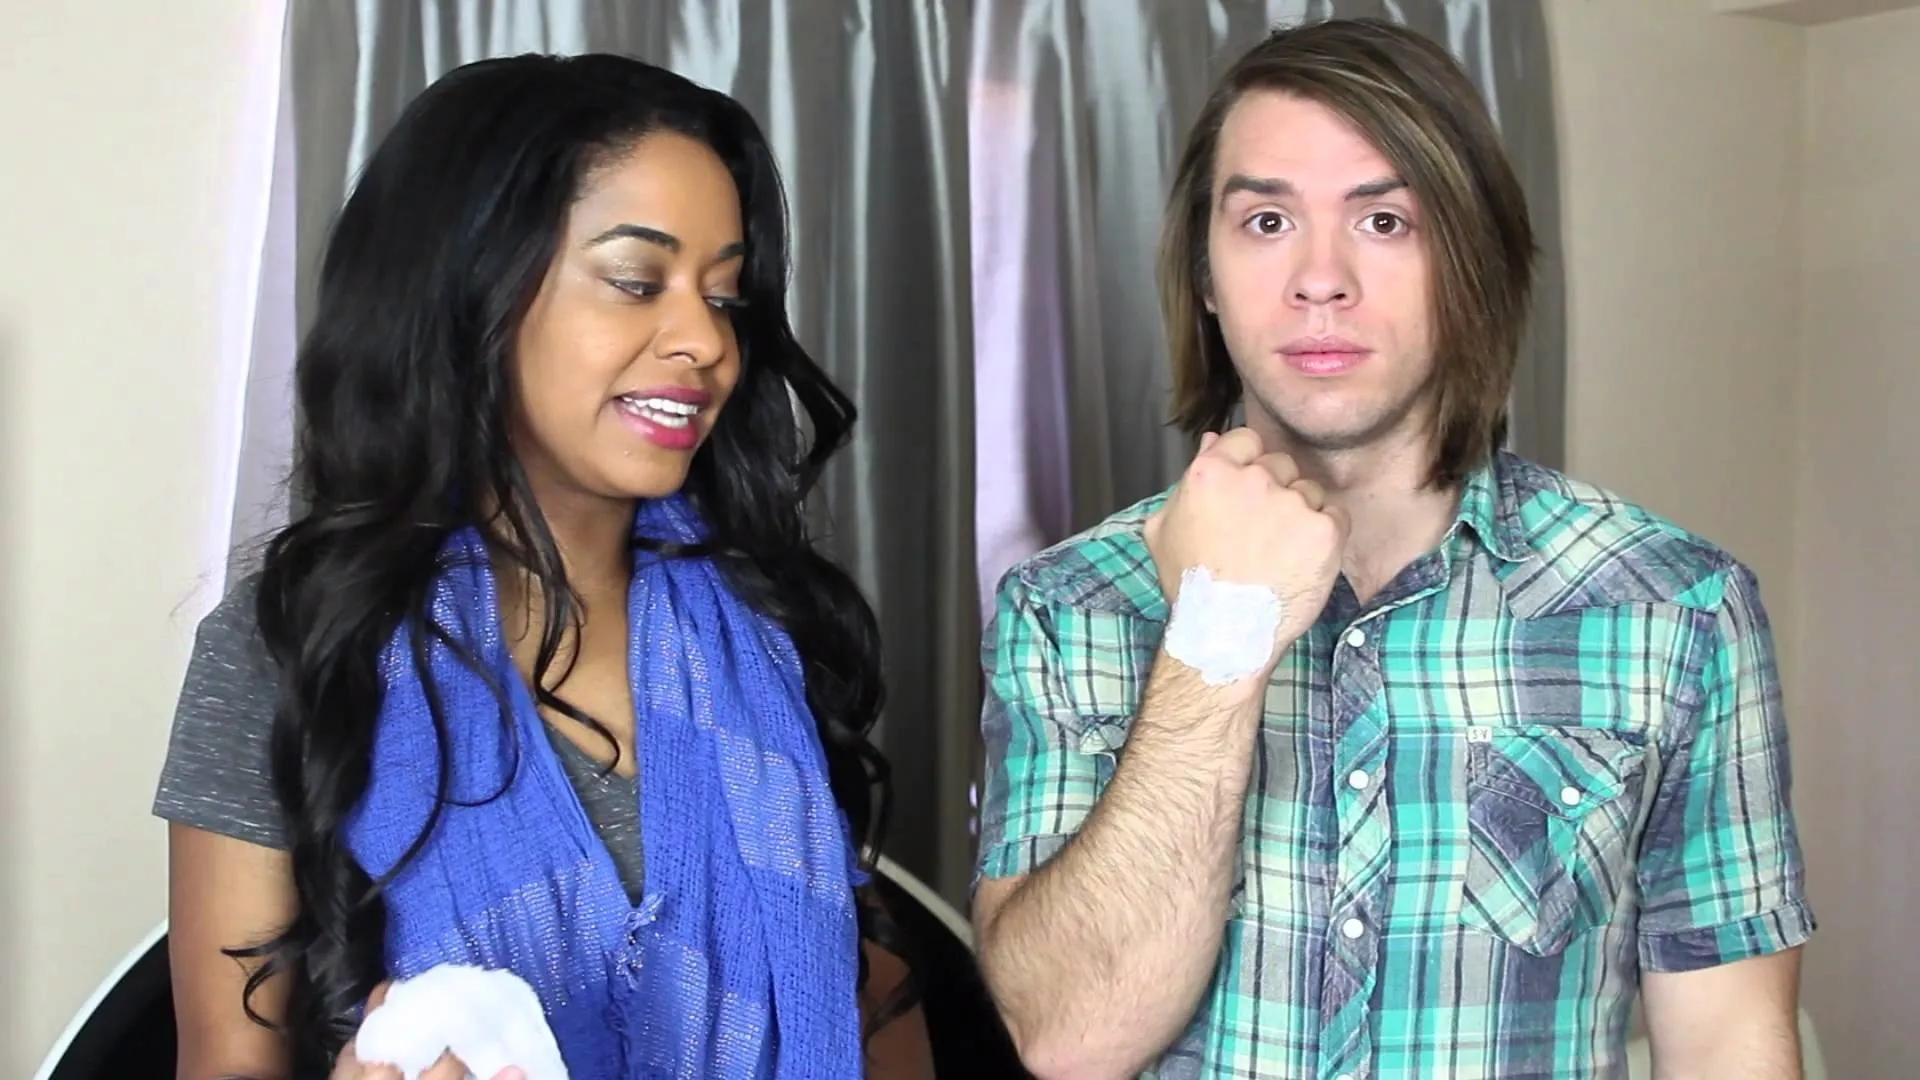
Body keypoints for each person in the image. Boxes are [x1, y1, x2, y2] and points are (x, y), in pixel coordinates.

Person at [971, 18, 1812, 1080]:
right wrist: (1215, 643)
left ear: (1471, 265)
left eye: (1383, 220)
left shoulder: (1677, 608)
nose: (1321, 278)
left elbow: (1730, 1043)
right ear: (1207, 276)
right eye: (1268, 220)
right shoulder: (1069, 605)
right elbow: (1068, 1041)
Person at [153, 53, 932, 1080]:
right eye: (634, 281)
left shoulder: (772, 630)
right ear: (469, 288)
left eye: (727, 297)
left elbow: (874, 1011)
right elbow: (225, 1065)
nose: (705, 341)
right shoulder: (294, 647)